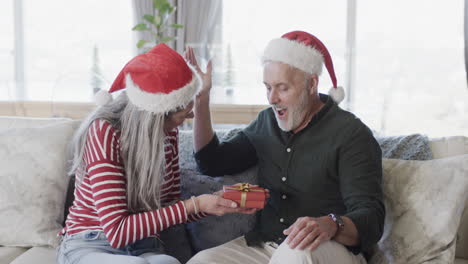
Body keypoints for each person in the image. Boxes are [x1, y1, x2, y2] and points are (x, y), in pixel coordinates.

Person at [186, 31, 385, 264]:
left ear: (311, 84)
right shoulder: (266, 122)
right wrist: (201, 100)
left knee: (295, 255)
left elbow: (371, 219)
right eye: (268, 87)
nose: (272, 98)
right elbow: (212, 162)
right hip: (266, 246)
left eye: (282, 88)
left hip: (328, 249)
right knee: (203, 261)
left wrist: (331, 224)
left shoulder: (351, 134)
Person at [57, 43, 255, 264]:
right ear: (157, 116)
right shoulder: (104, 132)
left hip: (143, 245)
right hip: (91, 242)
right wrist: (195, 204)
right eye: (183, 113)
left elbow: (169, 210)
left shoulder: (168, 134)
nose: (189, 116)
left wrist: (213, 204)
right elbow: (117, 231)